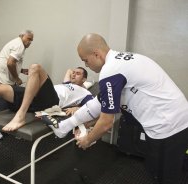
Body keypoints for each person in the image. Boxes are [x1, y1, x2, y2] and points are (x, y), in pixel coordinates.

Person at [74, 33, 188, 184]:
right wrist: (91, 122)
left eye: (86, 61)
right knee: (155, 169)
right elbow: (115, 106)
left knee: (165, 177)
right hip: (174, 119)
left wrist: (87, 140)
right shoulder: (124, 59)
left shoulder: (110, 70)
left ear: (96, 54)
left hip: (169, 126)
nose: (87, 65)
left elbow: (107, 122)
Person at [0, 30, 33, 113]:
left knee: (3, 99)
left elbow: (11, 62)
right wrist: (17, 79)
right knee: (3, 101)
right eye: (28, 38)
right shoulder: (20, 45)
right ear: (22, 36)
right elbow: (10, 63)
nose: (29, 42)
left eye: (31, 40)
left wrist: (21, 70)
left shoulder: (16, 42)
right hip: (2, 76)